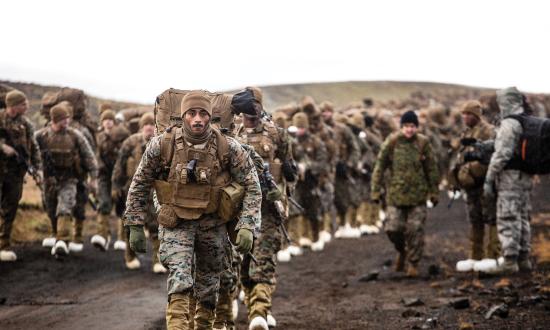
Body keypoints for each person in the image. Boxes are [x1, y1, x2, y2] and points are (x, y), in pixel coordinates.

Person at [123, 91, 262, 329]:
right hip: (176, 222)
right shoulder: (162, 144)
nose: (197, 119)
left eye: (202, 114)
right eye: (191, 113)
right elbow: (139, 184)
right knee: (180, 279)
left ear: (210, 116)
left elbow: (252, 186)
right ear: (183, 116)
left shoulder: (228, 146)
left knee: (209, 287)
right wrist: (134, 224)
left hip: (213, 224)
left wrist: (248, 225)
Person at [234, 86, 295, 330]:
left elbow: (290, 174)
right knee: (243, 266)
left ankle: (259, 312)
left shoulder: (277, 134)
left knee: (264, 261)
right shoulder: (231, 134)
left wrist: (284, 187)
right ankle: (253, 304)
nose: (251, 109)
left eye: (254, 104)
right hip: (238, 212)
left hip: (268, 211)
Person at [371, 110, 440, 277]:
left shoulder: (423, 143)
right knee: (393, 229)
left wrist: (434, 191)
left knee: (415, 229)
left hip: (418, 196)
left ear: (417, 127)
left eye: (412, 126)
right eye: (406, 126)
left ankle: (413, 262)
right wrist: (375, 190)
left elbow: (431, 168)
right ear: (401, 127)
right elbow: (379, 167)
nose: (409, 130)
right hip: (395, 195)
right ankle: (402, 251)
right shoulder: (392, 142)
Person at [35, 103, 98, 257]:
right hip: (49, 180)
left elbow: (89, 157)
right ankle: (56, 234)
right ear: (55, 120)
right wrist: (36, 171)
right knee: (50, 209)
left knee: (65, 207)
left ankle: (62, 241)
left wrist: (93, 177)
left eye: (68, 118)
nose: (67, 121)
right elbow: (31, 153)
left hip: (69, 179)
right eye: (64, 119)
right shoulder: (41, 136)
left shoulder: (75, 135)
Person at [483, 87, 534, 274]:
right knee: (522, 217)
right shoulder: (526, 119)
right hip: (525, 176)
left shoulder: (509, 123)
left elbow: (502, 154)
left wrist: (489, 177)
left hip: (510, 178)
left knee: (508, 217)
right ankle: (523, 258)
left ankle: (509, 261)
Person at [112, 112, 165, 272]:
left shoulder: (162, 143)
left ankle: (158, 261)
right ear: (142, 127)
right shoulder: (130, 142)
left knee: (158, 226)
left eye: (151, 124)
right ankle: (130, 256)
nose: (149, 127)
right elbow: (119, 166)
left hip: (155, 192)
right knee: (132, 225)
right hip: (134, 191)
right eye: (146, 124)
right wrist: (116, 186)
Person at [450, 101, 498, 270]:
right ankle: (475, 256)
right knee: (474, 219)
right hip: (469, 185)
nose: (465, 117)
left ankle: (494, 256)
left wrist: (474, 170)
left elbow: (493, 157)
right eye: (463, 114)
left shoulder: (489, 131)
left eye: (468, 114)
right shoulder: (466, 132)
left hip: (484, 182)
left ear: (476, 115)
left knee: (491, 218)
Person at [0, 90, 42, 261]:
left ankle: (3, 245)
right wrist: (2, 147)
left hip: (15, 173)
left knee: (10, 208)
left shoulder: (26, 124)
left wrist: (37, 168)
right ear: (14, 106)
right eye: (23, 104)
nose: (27, 106)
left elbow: (34, 147)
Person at [91, 109, 130, 251]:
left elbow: (125, 155)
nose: (107, 122)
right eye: (105, 120)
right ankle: (102, 235)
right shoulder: (99, 136)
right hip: (104, 176)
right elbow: (97, 155)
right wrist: (97, 170)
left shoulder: (122, 135)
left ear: (114, 122)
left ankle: (122, 238)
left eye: (110, 120)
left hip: (120, 177)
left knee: (122, 207)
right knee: (104, 203)